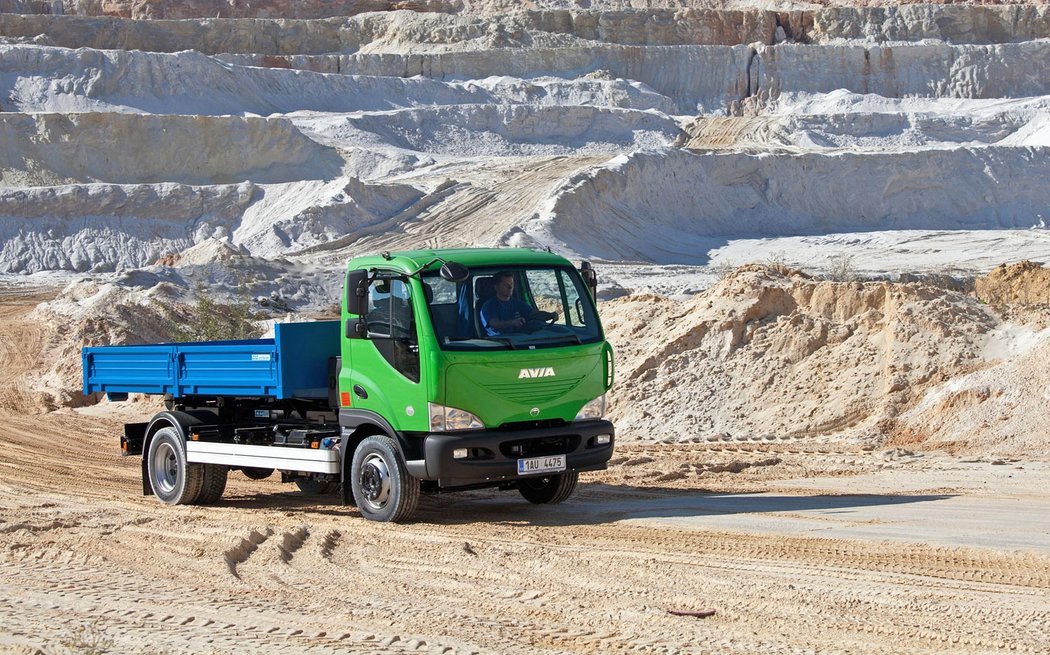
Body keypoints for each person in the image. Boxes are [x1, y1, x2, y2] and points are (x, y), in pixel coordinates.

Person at [480, 271, 557, 335]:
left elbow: (533, 314)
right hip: (498, 343)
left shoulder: (517, 303)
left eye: (512, 284)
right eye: (506, 285)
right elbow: (495, 324)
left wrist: (549, 315)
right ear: (496, 287)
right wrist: (512, 323)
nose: (510, 288)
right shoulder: (489, 305)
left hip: (520, 341)